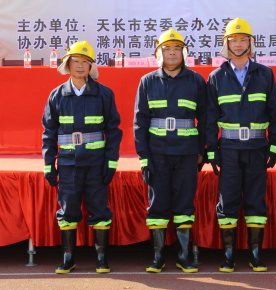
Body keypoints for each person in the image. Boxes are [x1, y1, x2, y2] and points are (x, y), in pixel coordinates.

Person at [206, 17, 276, 272]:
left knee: (255, 201)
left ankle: (255, 255)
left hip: (257, 148)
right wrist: (211, 150)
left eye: (243, 40)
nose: (238, 44)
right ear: (226, 44)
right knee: (227, 200)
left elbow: (275, 113)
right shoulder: (216, 77)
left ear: (251, 43)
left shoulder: (265, 74)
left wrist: (274, 147)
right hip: (229, 149)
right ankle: (229, 255)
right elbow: (209, 118)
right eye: (233, 40)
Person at [42, 40, 122, 274]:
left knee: (99, 209)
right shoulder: (57, 95)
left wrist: (111, 162)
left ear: (91, 67)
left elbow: (113, 130)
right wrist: (49, 164)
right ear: (67, 65)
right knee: (68, 211)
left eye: (85, 62)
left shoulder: (103, 94)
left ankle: (101, 258)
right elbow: (49, 132)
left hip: (96, 163)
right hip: (68, 164)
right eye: (75, 61)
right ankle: (68, 258)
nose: (79, 66)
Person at [134, 29, 207, 273]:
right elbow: (140, 122)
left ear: (184, 53)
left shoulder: (196, 80)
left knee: (184, 204)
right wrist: (144, 157)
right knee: (158, 204)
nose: (172, 53)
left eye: (177, 49)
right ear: (159, 53)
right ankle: (158, 257)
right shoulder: (148, 81)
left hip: (186, 152)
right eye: (167, 49)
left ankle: (184, 256)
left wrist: (201, 150)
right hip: (157, 153)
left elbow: (205, 118)